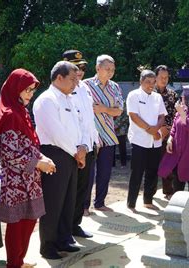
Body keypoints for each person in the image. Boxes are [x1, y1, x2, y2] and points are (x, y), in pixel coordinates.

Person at [0, 69, 56, 267]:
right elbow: (9, 153)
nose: (30, 94)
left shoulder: (20, 110)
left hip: (29, 178)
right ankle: (14, 263)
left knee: (29, 221)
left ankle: (19, 261)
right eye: (26, 90)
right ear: (15, 89)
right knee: (17, 225)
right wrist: (38, 163)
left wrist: (43, 157)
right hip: (15, 181)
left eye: (32, 90)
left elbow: (29, 144)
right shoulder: (8, 114)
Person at [33, 61, 85, 259]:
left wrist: (81, 148)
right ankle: (48, 246)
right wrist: (75, 152)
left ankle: (64, 239)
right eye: (72, 79)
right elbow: (56, 133)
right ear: (59, 78)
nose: (75, 83)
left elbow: (77, 127)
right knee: (53, 202)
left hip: (71, 154)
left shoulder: (68, 99)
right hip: (54, 154)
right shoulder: (47, 100)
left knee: (68, 201)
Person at [62, 50, 99, 241]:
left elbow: (88, 119)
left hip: (89, 146)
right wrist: (80, 149)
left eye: (83, 67)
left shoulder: (84, 88)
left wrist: (95, 139)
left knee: (83, 190)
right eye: (76, 68)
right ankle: (65, 230)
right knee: (70, 192)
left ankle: (75, 225)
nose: (80, 71)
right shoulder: (63, 92)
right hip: (74, 150)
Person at [84, 54, 123, 213]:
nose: (110, 72)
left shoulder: (115, 87)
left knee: (105, 173)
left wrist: (104, 109)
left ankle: (100, 203)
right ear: (97, 68)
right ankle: (83, 206)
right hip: (90, 136)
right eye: (107, 69)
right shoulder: (85, 85)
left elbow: (119, 110)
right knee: (88, 174)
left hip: (108, 135)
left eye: (113, 70)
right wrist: (107, 110)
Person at [126, 70, 167, 211]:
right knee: (137, 172)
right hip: (139, 140)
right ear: (141, 81)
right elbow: (134, 116)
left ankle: (148, 200)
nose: (151, 85)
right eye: (147, 82)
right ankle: (131, 203)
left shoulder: (157, 97)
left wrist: (156, 129)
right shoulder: (133, 95)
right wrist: (151, 130)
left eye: (153, 82)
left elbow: (162, 115)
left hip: (155, 141)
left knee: (153, 171)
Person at [154, 65, 178, 200]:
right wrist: (159, 128)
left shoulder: (172, 94)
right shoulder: (150, 93)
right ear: (155, 77)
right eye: (161, 77)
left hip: (169, 134)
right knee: (151, 165)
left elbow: (176, 115)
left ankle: (169, 191)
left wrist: (169, 129)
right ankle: (148, 193)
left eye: (166, 77)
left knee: (168, 162)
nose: (164, 80)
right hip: (152, 133)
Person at [114, 103, 129, 167]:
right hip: (112, 130)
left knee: (122, 148)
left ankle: (123, 163)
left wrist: (116, 126)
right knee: (112, 148)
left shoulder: (123, 104)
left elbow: (125, 117)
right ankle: (112, 164)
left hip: (121, 131)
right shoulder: (110, 102)